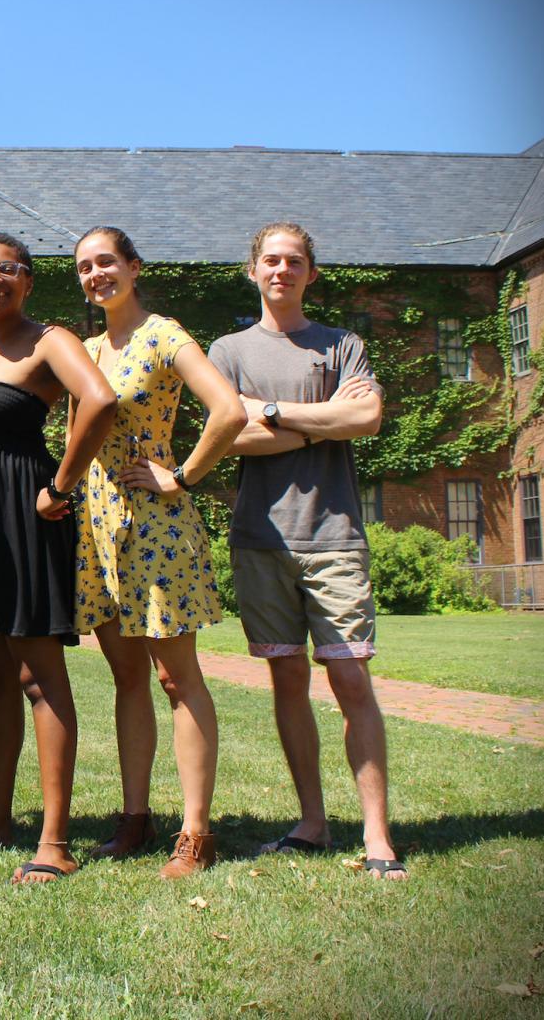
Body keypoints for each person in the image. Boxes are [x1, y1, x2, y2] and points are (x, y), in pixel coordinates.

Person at [208, 222, 406, 881]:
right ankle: (313, 822)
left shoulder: (342, 344)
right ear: (252, 268)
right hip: (261, 539)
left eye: (294, 261)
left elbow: (367, 419)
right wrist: (318, 419)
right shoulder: (228, 349)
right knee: (288, 677)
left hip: (335, 535)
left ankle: (377, 837)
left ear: (310, 273)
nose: (282, 270)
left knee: (350, 678)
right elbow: (227, 436)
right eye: (271, 259)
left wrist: (268, 413)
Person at [0, 231, 116, 884]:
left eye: (7, 269)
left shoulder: (49, 340)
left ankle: (56, 843)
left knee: (39, 677)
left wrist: (61, 487)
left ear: (29, 281)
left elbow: (100, 400)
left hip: (26, 517)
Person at [69, 226, 246, 879]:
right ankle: (134, 820)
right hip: (98, 527)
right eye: (86, 267)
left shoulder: (165, 336)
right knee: (126, 678)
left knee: (177, 678)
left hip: (156, 525)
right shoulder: (85, 349)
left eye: (106, 262)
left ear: (134, 267)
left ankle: (195, 833)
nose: (96, 275)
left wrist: (184, 474)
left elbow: (226, 410)